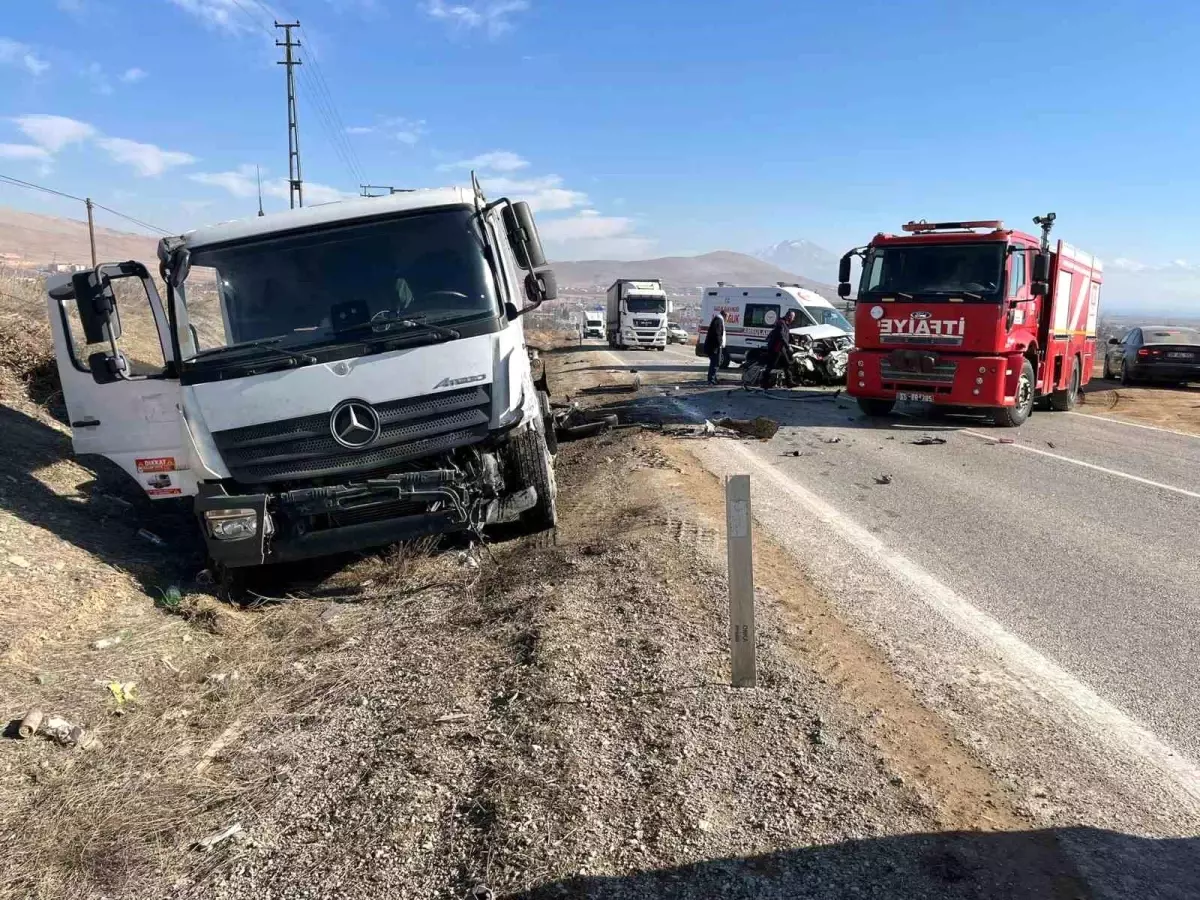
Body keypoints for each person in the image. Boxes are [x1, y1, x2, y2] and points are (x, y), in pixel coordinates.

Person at [762, 309, 797, 388]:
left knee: (787, 364)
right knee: (771, 365)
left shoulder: (786, 324)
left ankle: (789, 382)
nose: (793, 319)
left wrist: (792, 342)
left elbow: (787, 335)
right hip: (776, 348)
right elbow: (781, 336)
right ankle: (764, 382)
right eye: (793, 317)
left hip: (781, 348)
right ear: (789, 316)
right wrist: (788, 346)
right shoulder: (781, 323)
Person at [703, 310, 726, 384]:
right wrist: (720, 343)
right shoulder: (718, 321)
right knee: (715, 363)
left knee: (716, 363)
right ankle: (711, 379)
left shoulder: (718, 320)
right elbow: (717, 333)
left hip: (714, 346)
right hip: (714, 346)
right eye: (727, 317)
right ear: (724, 315)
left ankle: (713, 378)